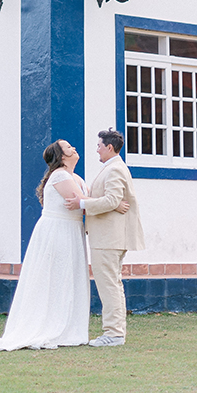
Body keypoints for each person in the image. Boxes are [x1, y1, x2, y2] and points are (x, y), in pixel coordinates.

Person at [0, 139, 126, 351]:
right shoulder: (60, 175)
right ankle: (50, 325)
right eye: (69, 147)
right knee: (56, 276)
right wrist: (114, 205)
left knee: (69, 278)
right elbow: (83, 202)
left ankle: (68, 327)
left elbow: (86, 202)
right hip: (58, 231)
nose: (74, 148)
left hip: (72, 230)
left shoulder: (75, 177)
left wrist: (106, 202)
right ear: (62, 157)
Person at [65, 128, 144, 347]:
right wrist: (112, 202)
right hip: (107, 237)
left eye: (99, 146)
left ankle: (114, 334)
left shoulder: (115, 169)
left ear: (109, 147)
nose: (96, 149)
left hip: (109, 238)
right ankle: (114, 333)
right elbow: (112, 200)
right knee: (112, 284)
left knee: (109, 285)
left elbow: (111, 199)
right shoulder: (112, 168)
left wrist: (81, 203)